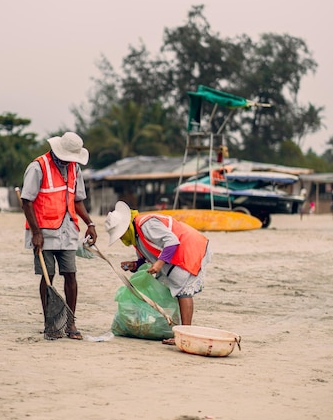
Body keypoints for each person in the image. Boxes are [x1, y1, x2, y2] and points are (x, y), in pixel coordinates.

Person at [20, 132, 97, 340]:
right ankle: (51, 324)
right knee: (48, 277)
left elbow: (78, 200)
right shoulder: (38, 167)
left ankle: (70, 322)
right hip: (43, 232)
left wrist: (90, 223)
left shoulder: (75, 168)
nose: (70, 161)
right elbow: (27, 201)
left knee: (70, 274)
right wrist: (35, 233)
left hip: (68, 230)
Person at [104, 201, 212, 345]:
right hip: (178, 253)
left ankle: (185, 334)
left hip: (190, 247)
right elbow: (147, 257)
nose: (122, 238)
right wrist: (135, 265)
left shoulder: (145, 224)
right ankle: (180, 330)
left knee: (184, 291)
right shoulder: (136, 235)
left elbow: (172, 241)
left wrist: (160, 263)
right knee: (176, 288)